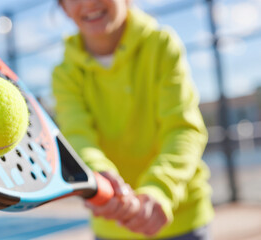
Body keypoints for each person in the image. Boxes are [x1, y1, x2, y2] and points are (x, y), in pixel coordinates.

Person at [51, 0, 214, 239]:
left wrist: (159, 190)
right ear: (63, 7)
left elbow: (182, 129)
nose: (88, 3)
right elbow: (77, 135)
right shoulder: (64, 74)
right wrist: (101, 177)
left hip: (182, 221)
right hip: (111, 227)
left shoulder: (162, 45)